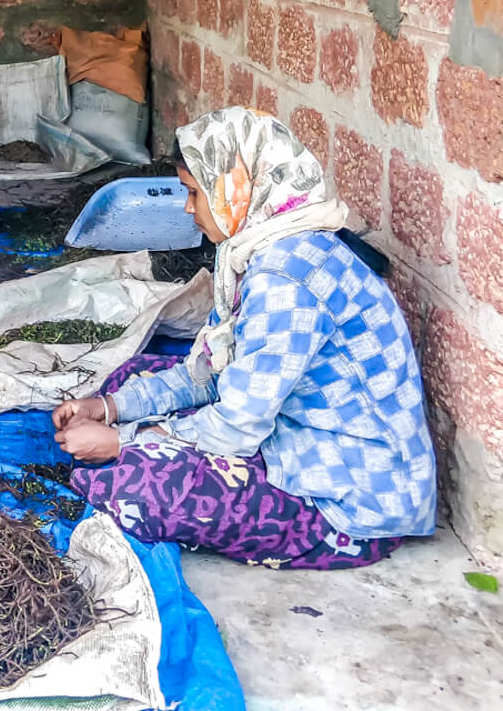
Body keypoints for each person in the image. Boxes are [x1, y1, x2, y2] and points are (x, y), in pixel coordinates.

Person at [53, 106, 436, 569]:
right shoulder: (263, 249)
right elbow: (212, 374)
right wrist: (109, 408)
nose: (187, 208)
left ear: (235, 187)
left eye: (194, 193)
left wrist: (124, 441)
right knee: (134, 377)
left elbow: (236, 426)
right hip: (295, 435)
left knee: (132, 482)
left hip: (350, 503)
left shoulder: (286, 280)